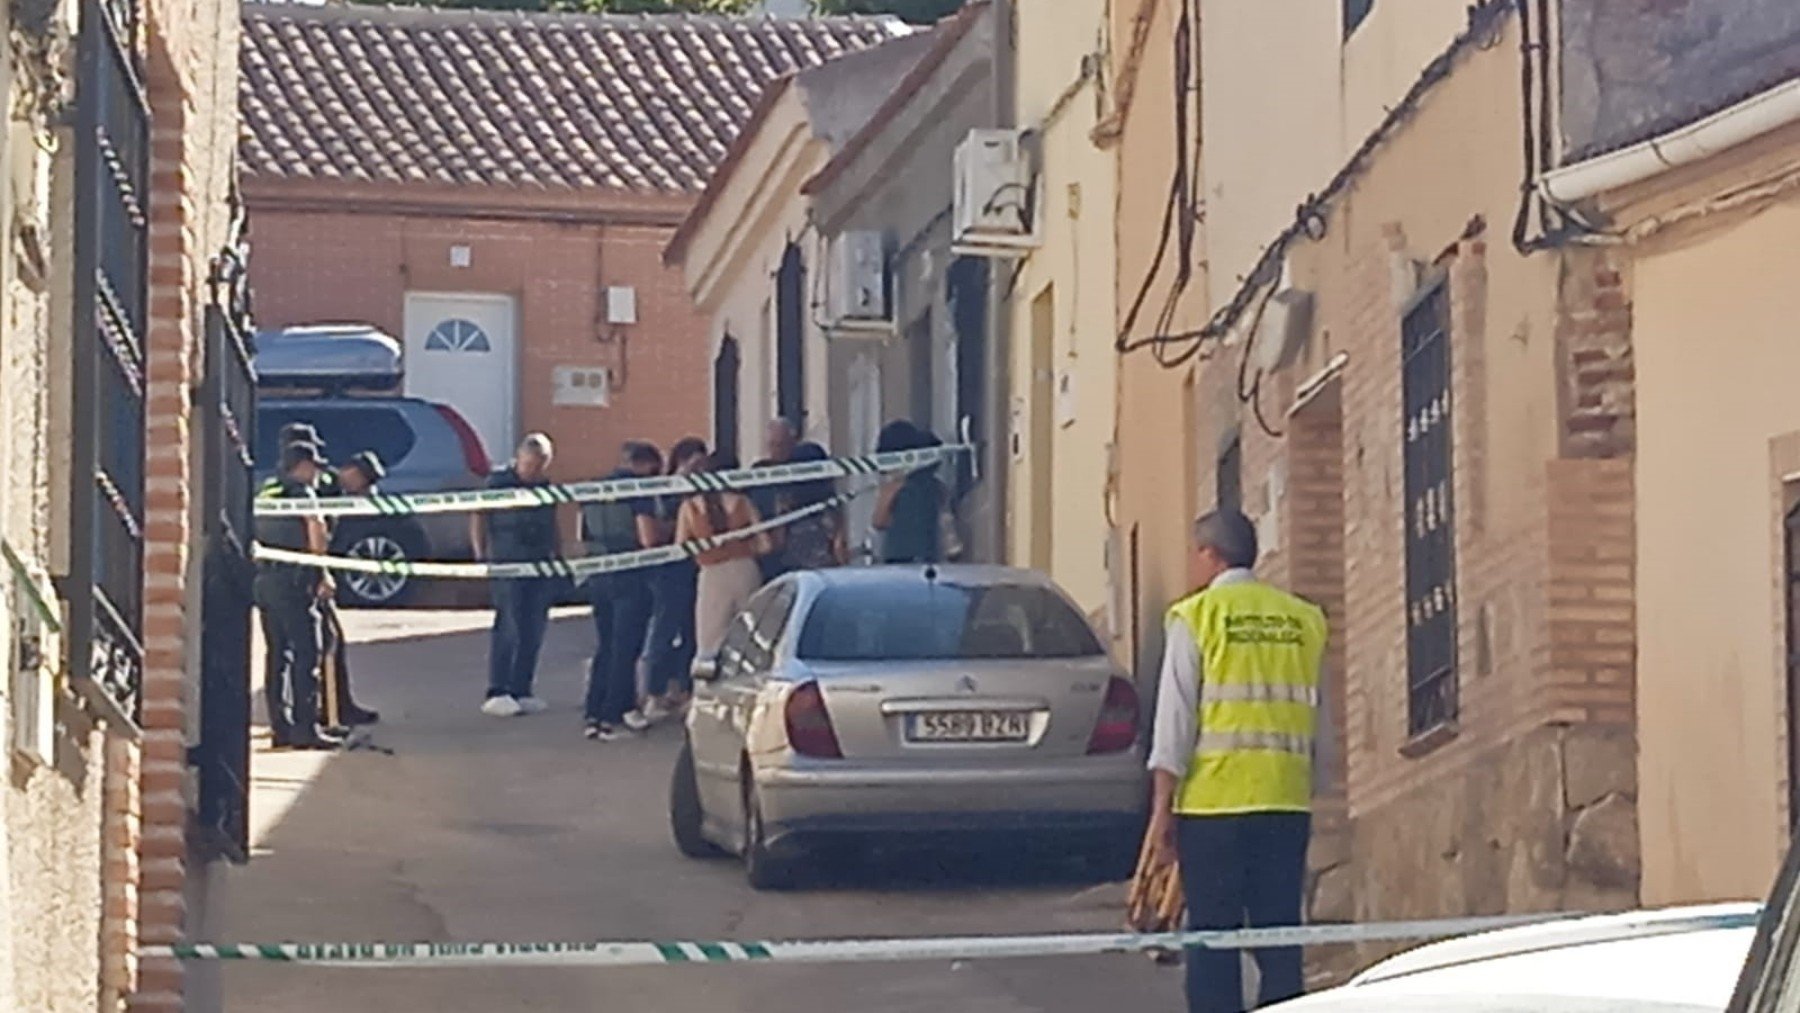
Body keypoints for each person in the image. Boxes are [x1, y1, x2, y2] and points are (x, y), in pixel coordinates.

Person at [1144, 509, 1329, 1013]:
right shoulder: (1303, 619)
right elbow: (1321, 717)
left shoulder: (1196, 617)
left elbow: (1174, 725)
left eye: (1194, 554)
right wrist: (1313, 785)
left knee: (1212, 941)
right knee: (1280, 939)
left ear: (1211, 554)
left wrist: (1161, 812)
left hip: (1213, 807)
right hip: (1285, 803)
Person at [253, 443, 341, 750]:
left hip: (265, 580)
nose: (317, 473)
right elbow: (315, 527)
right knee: (307, 653)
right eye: (314, 467)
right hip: (294, 580)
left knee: (277, 655)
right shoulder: (302, 493)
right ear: (301, 466)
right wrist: (323, 572)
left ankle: (282, 727)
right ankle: (306, 728)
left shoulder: (268, 489)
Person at [473, 433, 561, 718]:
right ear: (519, 458)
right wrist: (480, 553)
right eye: (531, 464)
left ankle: (522, 689)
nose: (535, 471)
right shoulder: (498, 483)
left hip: (539, 563)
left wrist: (558, 556)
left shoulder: (545, 487)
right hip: (507, 561)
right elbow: (478, 515)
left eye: (541, 466)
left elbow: (552, 523)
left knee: (533, 627)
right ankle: (498, 690)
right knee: (508, 624)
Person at [580, 441, 663, 741]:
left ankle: (593, 712)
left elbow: (583, 534)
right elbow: (648, 537)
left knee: (605, 645)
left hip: (599, 572)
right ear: (644, 465)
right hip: (631, 574)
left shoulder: (592, 490)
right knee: (626, 647)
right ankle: (614, 715)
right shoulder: (637, 491)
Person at [676, 452, 769, 659]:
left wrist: (706, 552)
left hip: (711, 573)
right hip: (745, 569)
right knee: (750, 633)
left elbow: (681, 548)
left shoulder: (690, 507)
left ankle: (708, 685)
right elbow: (765, 544)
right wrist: (743, 548)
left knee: (710, 638)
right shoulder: (743, 503)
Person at [642, 436, 709, 722]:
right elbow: (660, 529)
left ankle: (683, 688)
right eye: (692, 462)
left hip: (695, 568)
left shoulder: (703, 490)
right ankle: (654, 692)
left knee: (693, 630)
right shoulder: (665, 489)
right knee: (664, 631)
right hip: (668, 570)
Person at [317, 450, 385, 728]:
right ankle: (328, 711)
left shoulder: (336, 492)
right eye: (364, 481)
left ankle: (338, 707)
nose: (365, 489)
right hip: (309, 575)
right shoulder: (324, 487)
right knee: (325, 643)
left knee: (332, 641)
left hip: (319, 573)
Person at [872, 420, 947, 564]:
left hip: (900, 557)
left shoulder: (895, 486)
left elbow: (879, 521)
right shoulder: (934, 485)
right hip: (930, 556)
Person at [776, 442, 848, 570]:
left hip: (793, 569)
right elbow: (838, 543)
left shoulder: (786, 500)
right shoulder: (831, 501)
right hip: (825, 569)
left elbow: (780, 540)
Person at [749, 417, 798, 582]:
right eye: (773, 445)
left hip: (799, 549)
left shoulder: (804, 469)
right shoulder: (758, 471)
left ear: (792, 442)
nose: (778, 450)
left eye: (782, 444)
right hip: (767, 550)